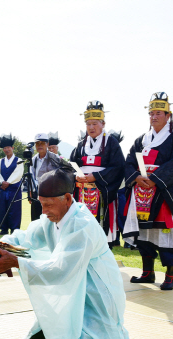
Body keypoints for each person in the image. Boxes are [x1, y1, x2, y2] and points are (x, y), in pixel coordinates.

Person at [0, 166, 133, 339]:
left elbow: (62, 270)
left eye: (48, 204)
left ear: (68, 198)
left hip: (95, 299)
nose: (43, 211)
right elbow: (24, 238)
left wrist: (16, 262)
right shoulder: (51, 218)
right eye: (41, 203)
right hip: (74, 296)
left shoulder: (82, 224)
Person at [123, 92, 173, 290]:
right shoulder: (140, 140)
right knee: (144, 234)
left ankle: (170, 276)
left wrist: (155, 180)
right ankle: (148, 273)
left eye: (159, 112)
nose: (154, 116)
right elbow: (129, 162)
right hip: (141, 192)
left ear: (168, 116)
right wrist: (136, 177)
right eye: (151, 113)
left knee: (166, 233)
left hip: (163, 193)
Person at [70, 101, 125, 248]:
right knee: (82, 234)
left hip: (102, 193)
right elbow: (70, 165)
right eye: (88, 124)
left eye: (95, 123)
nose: (91, 127)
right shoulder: (81, 144)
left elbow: (118, 167)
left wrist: (96, 177)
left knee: (101, 233)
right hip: (81, 193)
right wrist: (75, 176)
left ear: (103, 124)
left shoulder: (112, 143)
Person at [0, 134, 23, 235]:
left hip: (14, 189)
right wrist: (2, 182)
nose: (6, 149)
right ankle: (3, 229)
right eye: (4, 148)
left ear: (12, 148)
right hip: (3, 189)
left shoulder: (19, 161)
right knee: (2, 209)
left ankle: (14, 229)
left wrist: (8, 182)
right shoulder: (0, 161)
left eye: (8, 147)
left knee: (14, 209)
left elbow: (18, 173)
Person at [30, 132, 61, 221]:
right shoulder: (33, 159)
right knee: (35, 219)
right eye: (37, 143)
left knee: (49, 218)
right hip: (36, 192)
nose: (40, 146)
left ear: (47, 144)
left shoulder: (54, 157)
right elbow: (31, 175)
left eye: (42, 143)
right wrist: (31, 191)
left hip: (51, 193)